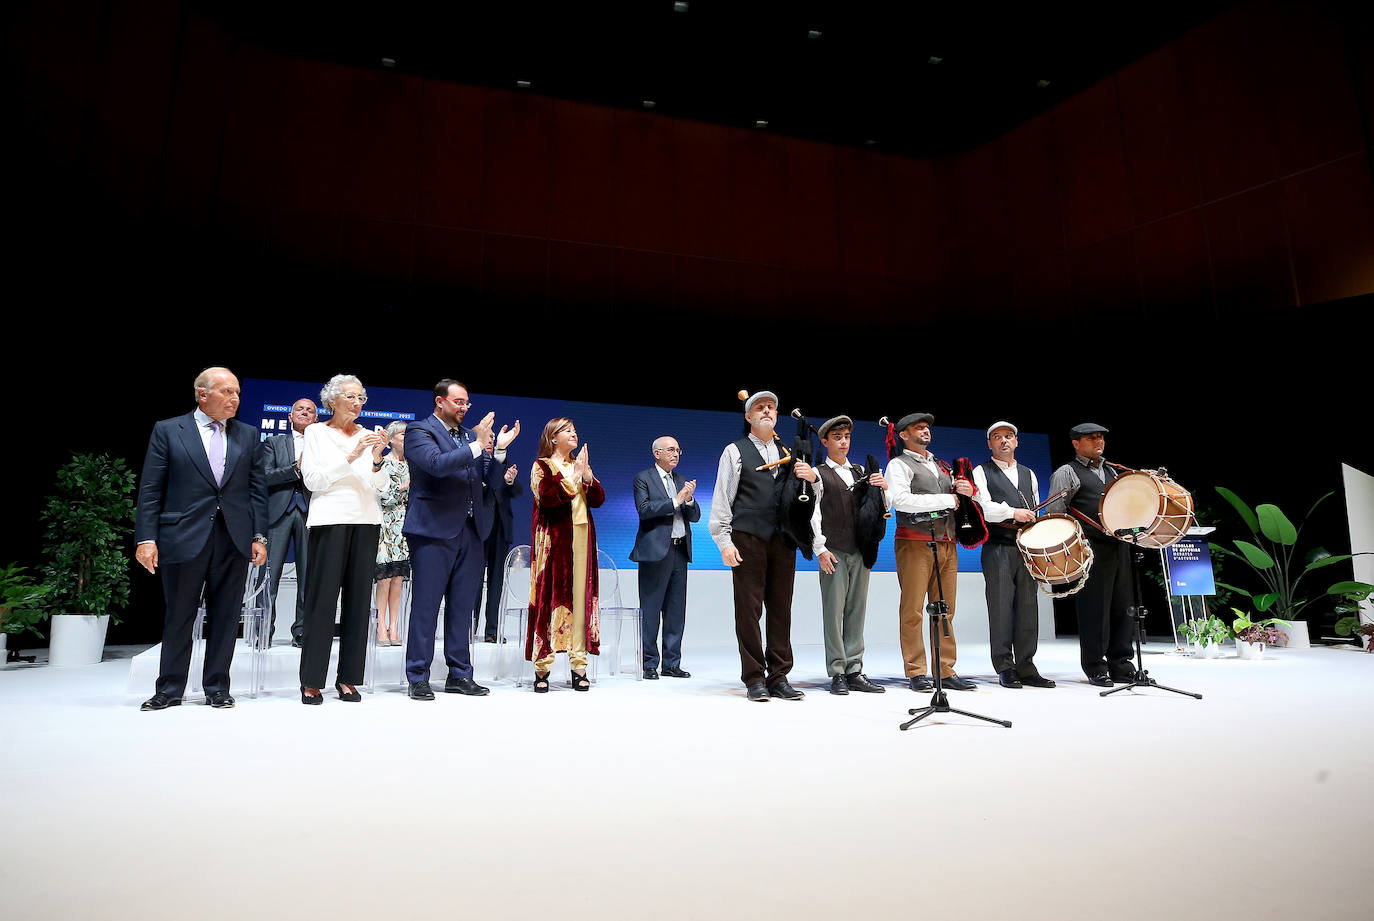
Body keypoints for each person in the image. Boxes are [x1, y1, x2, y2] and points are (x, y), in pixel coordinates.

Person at [134, 367, 268, 710]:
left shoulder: (248, 434)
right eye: (226, 392)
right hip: (184, 534)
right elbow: (151, 489)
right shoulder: (168, 430)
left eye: (237, 392)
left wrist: (259, 535)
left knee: (226, 617)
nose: (234, 398)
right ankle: (169, 688)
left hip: (234, 537)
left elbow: (257, 491)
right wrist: (145, 538)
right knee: (180, 615)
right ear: (202, 394)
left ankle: (217, 687)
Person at [403, 379, 518, 700]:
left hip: (471, 530)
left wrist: (500, 452)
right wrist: (478, 446)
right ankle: (418, 675)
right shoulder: (420, 431)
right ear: (440, 402)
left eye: (467, 402)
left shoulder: (471, 437)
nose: (464, 408)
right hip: (432, 530)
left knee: (462, 607)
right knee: (426, 606)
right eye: (458, 402)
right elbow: (436, 466)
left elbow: (489, 482)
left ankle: (459, 673)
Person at [708, 391, 814, 702]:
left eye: (771, 407)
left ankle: (779, 676)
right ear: (748, 416)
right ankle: (754, 677)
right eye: (760, 407)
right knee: (749, 610)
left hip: (783, 538)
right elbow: (722, 499)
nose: (767, 410)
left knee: (781, 609)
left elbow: (801, 498)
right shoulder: (734, 451)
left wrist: (812, 480)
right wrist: (724, 542)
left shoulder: (790, 451)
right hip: (748, 537)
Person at [298, 374, 388, 704]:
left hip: (366, 521)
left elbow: (380, 486)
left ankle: (349, 677)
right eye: (350, 397)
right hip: (329, 521)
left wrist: (378, 459)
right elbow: (313, 481)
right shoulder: (316, 432)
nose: (357, 403)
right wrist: (351, 455)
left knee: (358, 604)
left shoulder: (369, 436)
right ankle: (312, 680)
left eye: (361, 398)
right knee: (322, 602)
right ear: (332, 401)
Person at [884, 413, 977, 692]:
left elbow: (962, 500)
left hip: (947, 543)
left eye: (926, 427)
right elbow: (900, 501)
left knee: (945, 609)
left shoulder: (941, 465)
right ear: (903, 434)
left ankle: (945, 669)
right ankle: (916, 670)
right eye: (918, 427)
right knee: (913, 609)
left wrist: (966, 490)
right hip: (915, 542)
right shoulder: (898, 465)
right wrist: (948, 499)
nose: (925, 430)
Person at [1046, 423, 1135, 687]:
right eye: (1091, 437)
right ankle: (1095, 666)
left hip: (1119, 545)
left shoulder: (1112, 470)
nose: (1099, 441)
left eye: (1101, 437)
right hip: (1090, 550)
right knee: (1095, 609)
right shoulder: (1067, 472)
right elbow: (1055, 513)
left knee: (1123, 607)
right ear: (1076, 443)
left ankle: (1121, 664)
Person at [972, 421, 1054, 689]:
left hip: (1025, 549)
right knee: (1000, 607)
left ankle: (1027, 666)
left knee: (1028, 608)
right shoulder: (981, 472)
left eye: (1009, 436)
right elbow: (982, 507)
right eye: (997, 437)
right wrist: (1012, 513)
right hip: (998, 546)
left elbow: (1035, 508)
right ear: (990, 444)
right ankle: (1005, 666)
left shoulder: (1028, 473)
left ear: (1016, 441)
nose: (1004, 440)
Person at [809, 416, 888, 695]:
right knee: (833, 612)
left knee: (856, 610)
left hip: (859, 550)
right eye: (837, 437)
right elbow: (814, 514)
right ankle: (837, 671)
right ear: (825, 441)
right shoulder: (818, 473)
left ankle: (855, 668)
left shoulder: (859, 472)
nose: (843, 442)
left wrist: (882, 489)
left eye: (847, 437)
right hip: (834, 551)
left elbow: (876, 509)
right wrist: (820, 548)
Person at [527, 418, 605, 692]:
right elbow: (546, 498)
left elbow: (597, 499)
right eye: (567, 431)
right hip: (554, 542)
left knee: (582, 600)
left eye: (574, 430)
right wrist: (573, 478)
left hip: (583, 537)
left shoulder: (579, 466)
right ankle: (542, 666)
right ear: (553, 437)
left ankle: (579, 664)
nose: (574, 434)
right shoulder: (542, 466)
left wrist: (586, 477)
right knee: (551, 598)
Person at [630, 436, 699, 680]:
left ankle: (672, 663)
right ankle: (649, 663)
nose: (675, 454)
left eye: (678, 450)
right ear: (656, 453)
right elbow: (644, 510)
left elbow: (695, 516)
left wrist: (689, 499)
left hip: (680, 551)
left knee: (675, 611)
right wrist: (675, 501)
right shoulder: (643, 478)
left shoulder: (681, 480)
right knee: (651, 609)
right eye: (670, 450)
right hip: (655, 553)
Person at [259, 397, 316, 647]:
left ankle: (302, 631)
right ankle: (264, 631)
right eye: (300, 409)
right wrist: (295, 469)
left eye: (310, 410)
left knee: (308, 577)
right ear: (290, 417)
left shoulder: (321, 444)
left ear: (316, 418)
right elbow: (264, 476)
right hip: (279, 513)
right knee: (269, 576)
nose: (305, 412)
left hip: (310, 513)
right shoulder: (273, 442)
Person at [472, 442, 523, 643]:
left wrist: (509, 481)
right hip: (476, 527)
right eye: (488, 438)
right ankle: (469, 627)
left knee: (496, 581)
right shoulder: (472, 463)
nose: (491, 443)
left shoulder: (503, 464)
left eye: (494, 439)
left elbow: (517, 492)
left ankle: (491, 630)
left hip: (500, 529)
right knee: (473, 581)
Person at [374, 420, 410, 646]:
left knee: (398, 578)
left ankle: (394, 626)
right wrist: (404, 488)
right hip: (386, 524)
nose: (407, 439)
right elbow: (383, 497)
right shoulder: (383, 463)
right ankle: (380, 627)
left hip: (405, 525)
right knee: (385, 578)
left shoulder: (413, 464)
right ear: (392, 439)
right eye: (403, 435)